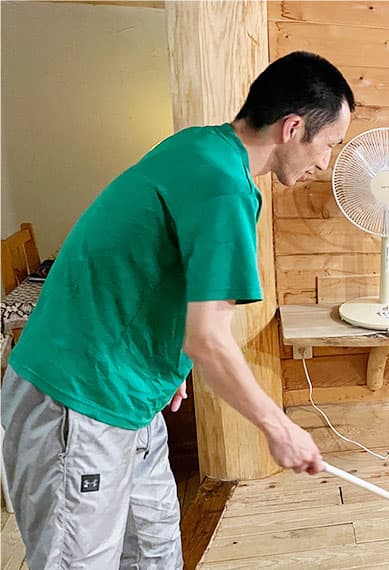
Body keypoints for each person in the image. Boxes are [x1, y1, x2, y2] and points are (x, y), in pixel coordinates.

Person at [1, 51, 354, 569]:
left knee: (154, 545)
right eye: (329, 145)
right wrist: (279, 428)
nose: (324, 162)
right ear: (293, 128)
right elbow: (207, 336)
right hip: (78, 397)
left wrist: (169, 362)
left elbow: (154, 265)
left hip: (132, 389)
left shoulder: (200, 146)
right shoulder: (223, 186)